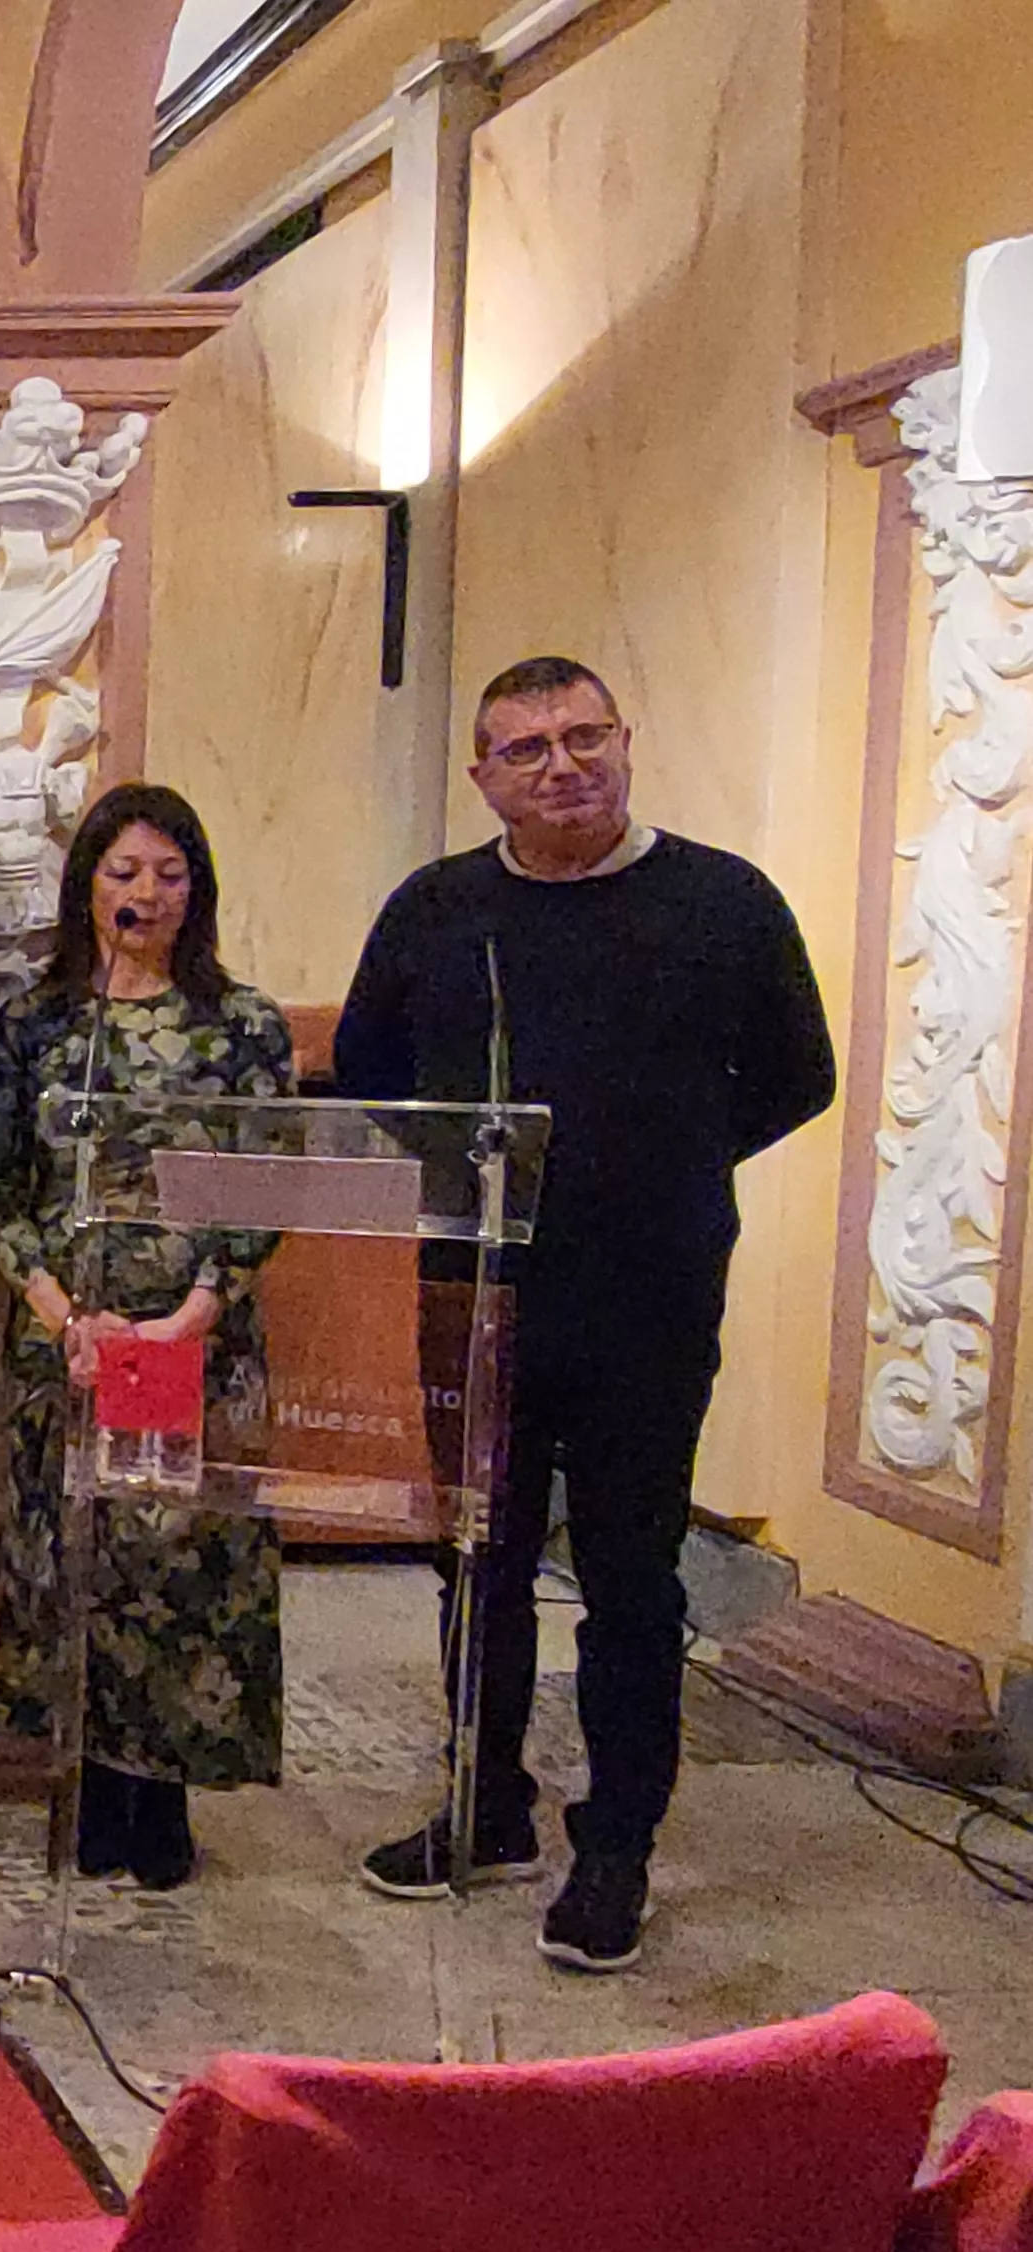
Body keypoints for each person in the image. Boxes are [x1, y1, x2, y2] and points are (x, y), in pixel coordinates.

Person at [333, 654, 833, 1972]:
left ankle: (614, 1847)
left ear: (623, 742)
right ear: (483, 777)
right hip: (478, 1286)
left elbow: (798, 1074)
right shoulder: (437, 909)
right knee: (478, 1558)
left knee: (627, 1577)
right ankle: (485, 1804)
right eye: (527, 748)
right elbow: (374, 1065)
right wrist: (475, 1179)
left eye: (583, 736)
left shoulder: (723, 902)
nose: (561, 765)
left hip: (646, 1298)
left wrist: (660, 1160)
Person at [0, 783, 293, 1893]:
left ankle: (163, 1801)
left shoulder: (241, 1025)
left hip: (193, 1338)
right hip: (65, 1340)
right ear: (85, 889)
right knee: (77, 1560)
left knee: (178, 1563)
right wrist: (62, 1311)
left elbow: (264, 1188)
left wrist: (189, 1315)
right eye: (122, 873)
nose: (144, 893)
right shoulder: (35, 1025)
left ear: (197, 889)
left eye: (167, 873)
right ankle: (86, 1788)